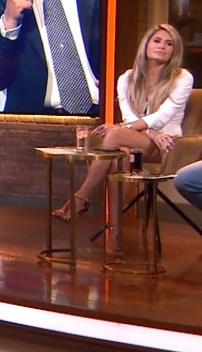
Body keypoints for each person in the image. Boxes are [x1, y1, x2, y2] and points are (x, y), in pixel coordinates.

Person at [54, 24, 192, 221]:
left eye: (169, 44)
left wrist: (123, 128)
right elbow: (129, 118)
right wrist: (150, 132)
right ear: (146, 45)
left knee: (115, 134)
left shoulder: (183, 78)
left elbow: (162, 116)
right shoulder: (127, 78)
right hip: (140, 141)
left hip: (168, 145)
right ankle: (114, 230)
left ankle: (81, 197)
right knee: (122, 156)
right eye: (157, 41)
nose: (162, 46)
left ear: (174, 51)